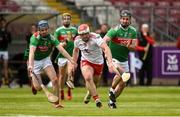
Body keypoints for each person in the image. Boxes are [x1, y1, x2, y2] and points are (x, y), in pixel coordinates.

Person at [28, 20, 76, 108]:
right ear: (39, 30)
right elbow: (31, 53)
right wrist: (30, 65)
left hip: (46, 59)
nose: (44, 32)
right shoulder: (35, 38)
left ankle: (56, 103)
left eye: (45, 30)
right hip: (35, 61)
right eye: (42, 30)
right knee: (38, 88)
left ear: (48, 29)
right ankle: (34, 85)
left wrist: (71, 59)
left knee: (55, 80)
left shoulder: (51, 38)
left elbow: (61, 49)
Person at [72, 24, 119, 108]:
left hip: (98, 62)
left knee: (95, 82)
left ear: (89, 32)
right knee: (87, 77)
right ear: (79, 35)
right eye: (82, 34)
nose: (84, 36)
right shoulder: (77, 40)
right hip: (86, 61)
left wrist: (110, 62)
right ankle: (97, 99)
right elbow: (75, 51)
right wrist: (74, 63)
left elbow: (106, 48)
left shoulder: (96, 37)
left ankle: (89, 93)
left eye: (86, 33)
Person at [103, 10, 138, 108]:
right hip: (112, 58)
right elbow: (104, 41)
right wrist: (106, 53)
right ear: (120, 19)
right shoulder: (115, 29)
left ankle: (111, 102)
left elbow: (134, 48)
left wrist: (128, 46)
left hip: (124, 59)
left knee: (123, 84)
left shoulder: (133, 31)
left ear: (130, 20)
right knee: (121, 73)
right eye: (123, 19)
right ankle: (111, 90)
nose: (125, 21)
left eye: (127, 19)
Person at [54, 13, 78, 100]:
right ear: (62, 20)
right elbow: (56, 44)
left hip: (71, 56)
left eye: (68, 18)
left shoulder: (75, 30)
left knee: (70, 72)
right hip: (61, 56)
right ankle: (61, 90)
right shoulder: (58, 31)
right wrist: (64, 43)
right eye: (65, 18)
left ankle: (69, 91)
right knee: (62, 75)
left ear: (70, 20)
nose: (66, 20)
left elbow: (77, 41)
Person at [0, 18, 11, 87]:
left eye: (4, 23)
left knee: (5, 67)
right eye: (1, 23)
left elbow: (10, 41)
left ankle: (7, 81)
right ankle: (1, 81)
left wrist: (5, 38)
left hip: (5, 50)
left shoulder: (7, 32)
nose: (2, 24)